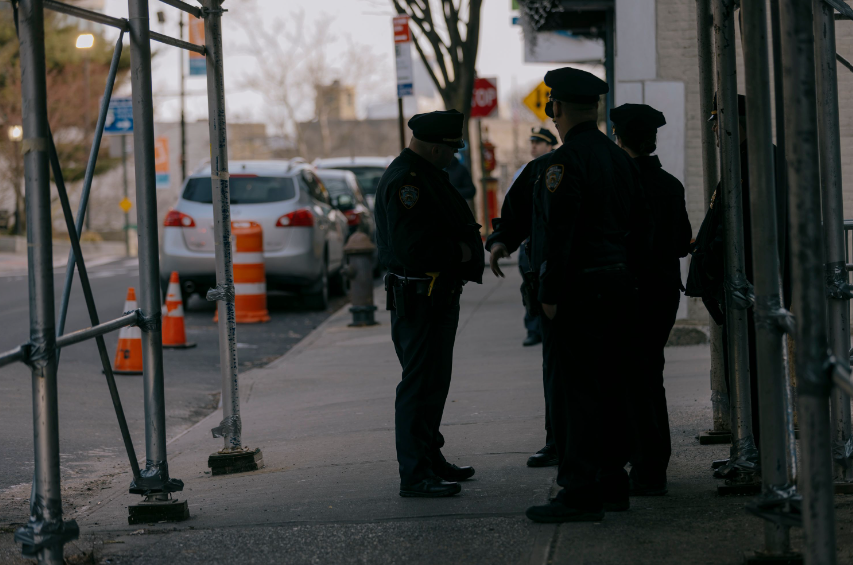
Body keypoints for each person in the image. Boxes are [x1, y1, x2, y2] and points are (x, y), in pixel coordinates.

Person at [524, 67, 652, 523]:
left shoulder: (564, 162)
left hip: (579, 292)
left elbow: (560, 234)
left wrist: (550, 291)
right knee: (612, 387)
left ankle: (579, 490)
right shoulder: (619, 159)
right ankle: (613, 481)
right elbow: (636, 227)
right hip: (618, 286)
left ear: (556, 109)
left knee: (574, 394)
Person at [374, 110, 485, 498]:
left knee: (434, 384)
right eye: (451, 149)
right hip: (419, 298)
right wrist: (459, 250)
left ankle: (430, 458)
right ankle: (415, 474)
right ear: (435, 146)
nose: (454, 157)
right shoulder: (409, 181)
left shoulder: (424, 173)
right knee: (418, 386)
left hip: (434, 296)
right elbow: (413, 247)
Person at [686, 94, 789, 472]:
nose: (714, 133)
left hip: (754, 290)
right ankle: (752, 450)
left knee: (756, 377)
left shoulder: (755, 161)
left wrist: (712, 261)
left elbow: (745, 226)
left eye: (717, 124)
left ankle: (761, 456)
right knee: (747, 375)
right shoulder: (746, 159)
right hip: (746, 289)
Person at [609, 103, 692, 495]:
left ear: (619, 138)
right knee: (649, 375)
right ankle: (650, 459)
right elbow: (680, 244)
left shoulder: (619, 185)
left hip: (629, 292)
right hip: (662, 293)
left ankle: (647, 466)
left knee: (634, 380)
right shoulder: (671, 185)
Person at [486, 144, 560, 469]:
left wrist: (503, 240)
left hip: (563, 288)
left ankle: (561, 444)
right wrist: (502, 239)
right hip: (602, 285)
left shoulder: (547, 167)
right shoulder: (544, 167)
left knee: (559, 369)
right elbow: (518, 213)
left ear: (557, 111)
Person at [514, 128, 559, 348]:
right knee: (530, 284)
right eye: (532, 142)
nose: (533, 146)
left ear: (550, 146)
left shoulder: (559, 167)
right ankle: (534, 329)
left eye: (538, 142)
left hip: (550, 238)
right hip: (529, 240)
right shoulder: (524, 171)